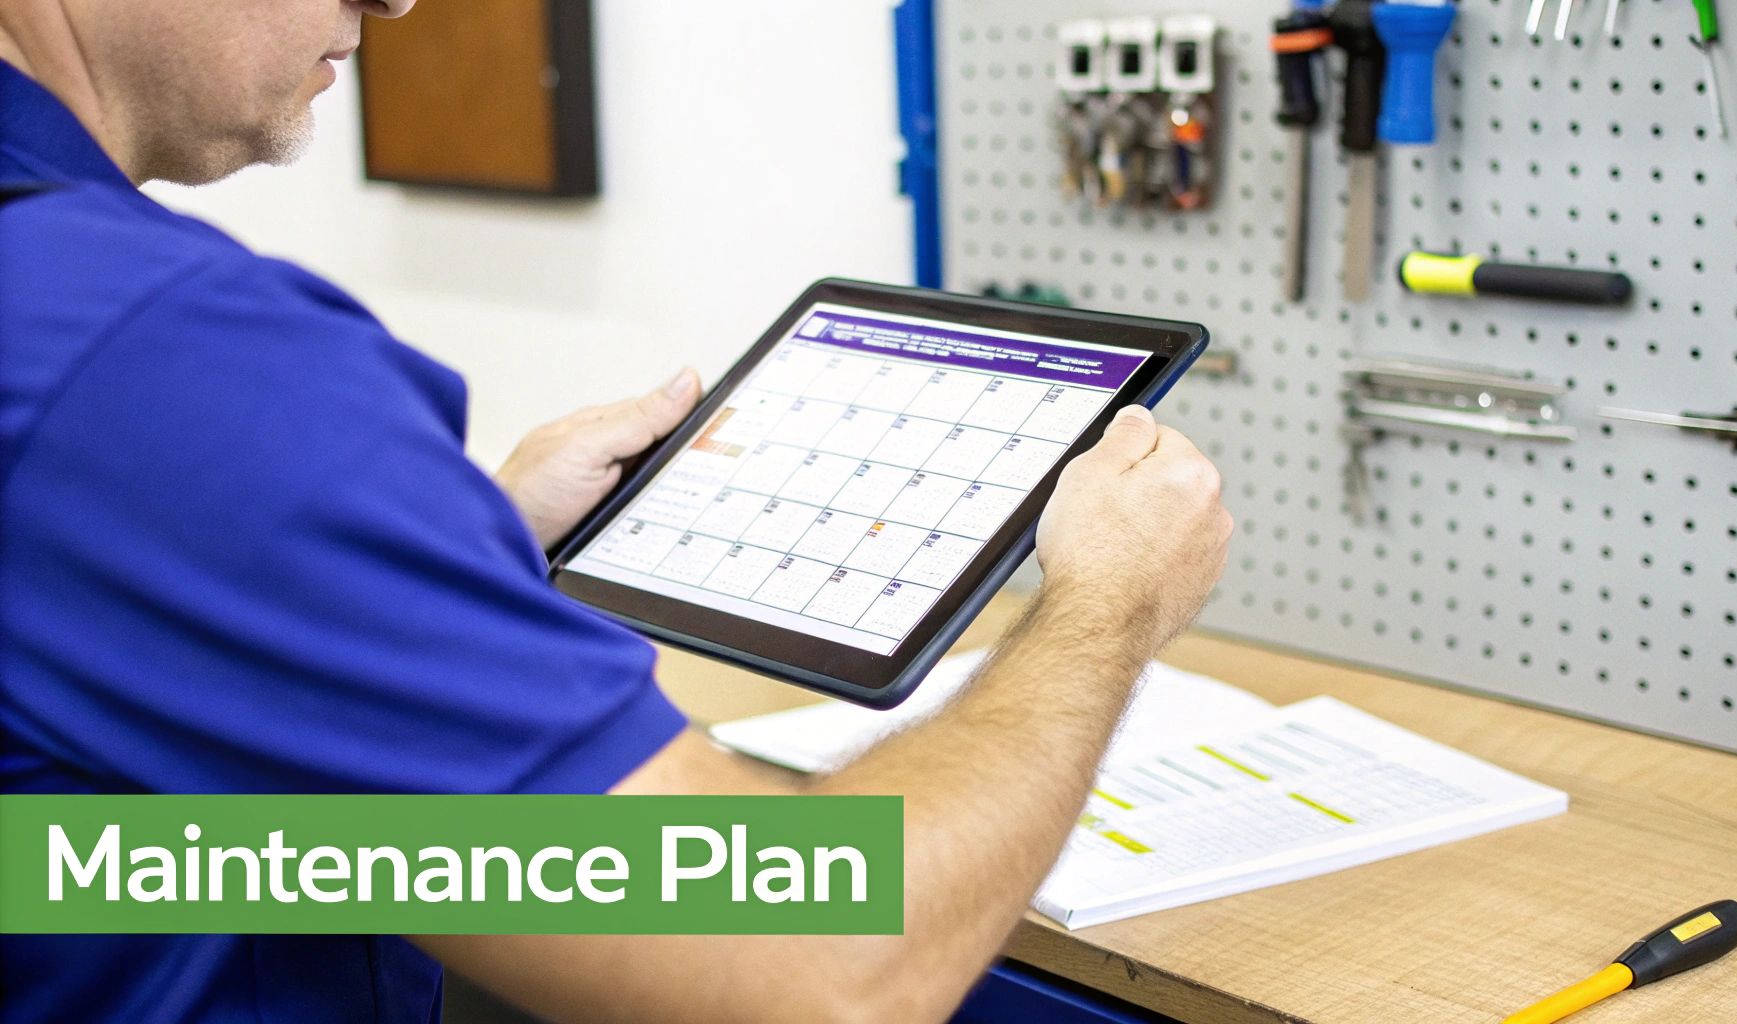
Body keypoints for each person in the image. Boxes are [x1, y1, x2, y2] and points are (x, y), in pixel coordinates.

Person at [0, 0, 1233, 1020]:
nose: (391, 1)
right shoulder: (154, 353)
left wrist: (437, 549)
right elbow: (824, 967)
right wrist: (1106, 603)